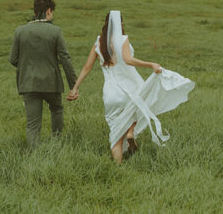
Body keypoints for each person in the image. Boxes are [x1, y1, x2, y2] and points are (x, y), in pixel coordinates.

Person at [67, 10, 194, 163]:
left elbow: (87, 67)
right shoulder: (122, 40)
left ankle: (118, 169)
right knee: (137, 108)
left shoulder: (98, 43)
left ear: (106, 24)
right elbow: (128, 60)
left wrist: (75, 88)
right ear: (120, 24)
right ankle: (130, 132)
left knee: (115, 138)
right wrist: (150, 64)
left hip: (110, 93)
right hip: (128, 90)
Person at [9, 0, 78, 147]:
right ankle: (57, 143)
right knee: (57, 109)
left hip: (28, 83)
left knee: (33, 124)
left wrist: (27, 66)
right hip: (51, 83)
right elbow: (65, 58)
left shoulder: (20, 31)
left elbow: (13, 59)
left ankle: (35, 154)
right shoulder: (55, 31)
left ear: (35, 11)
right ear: (48, 11)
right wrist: (74, 84)